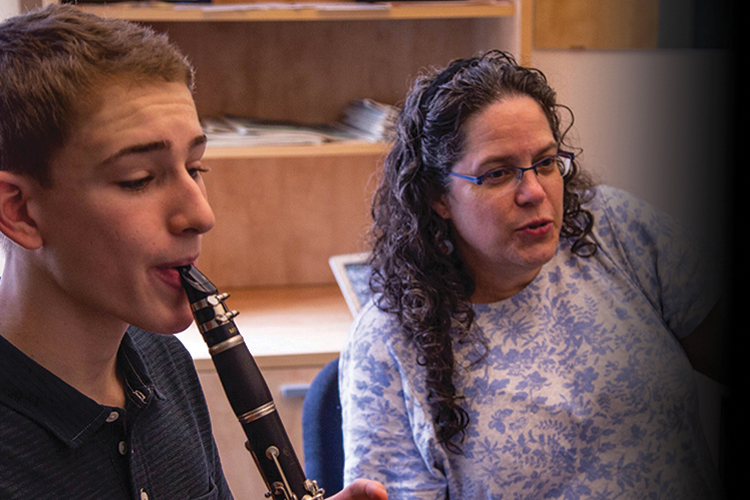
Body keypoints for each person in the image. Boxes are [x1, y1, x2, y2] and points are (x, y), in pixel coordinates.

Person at [0, 5, 388, 500]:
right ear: (21, 211)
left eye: (196, 168)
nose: (201, 215)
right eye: (139, 179)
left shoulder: (163, 360)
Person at [339, 50, 727, 499]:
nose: (535, 192)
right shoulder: (388, 343)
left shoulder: (618, 232)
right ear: (437, 196)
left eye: (546, 162)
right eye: (499, 173)